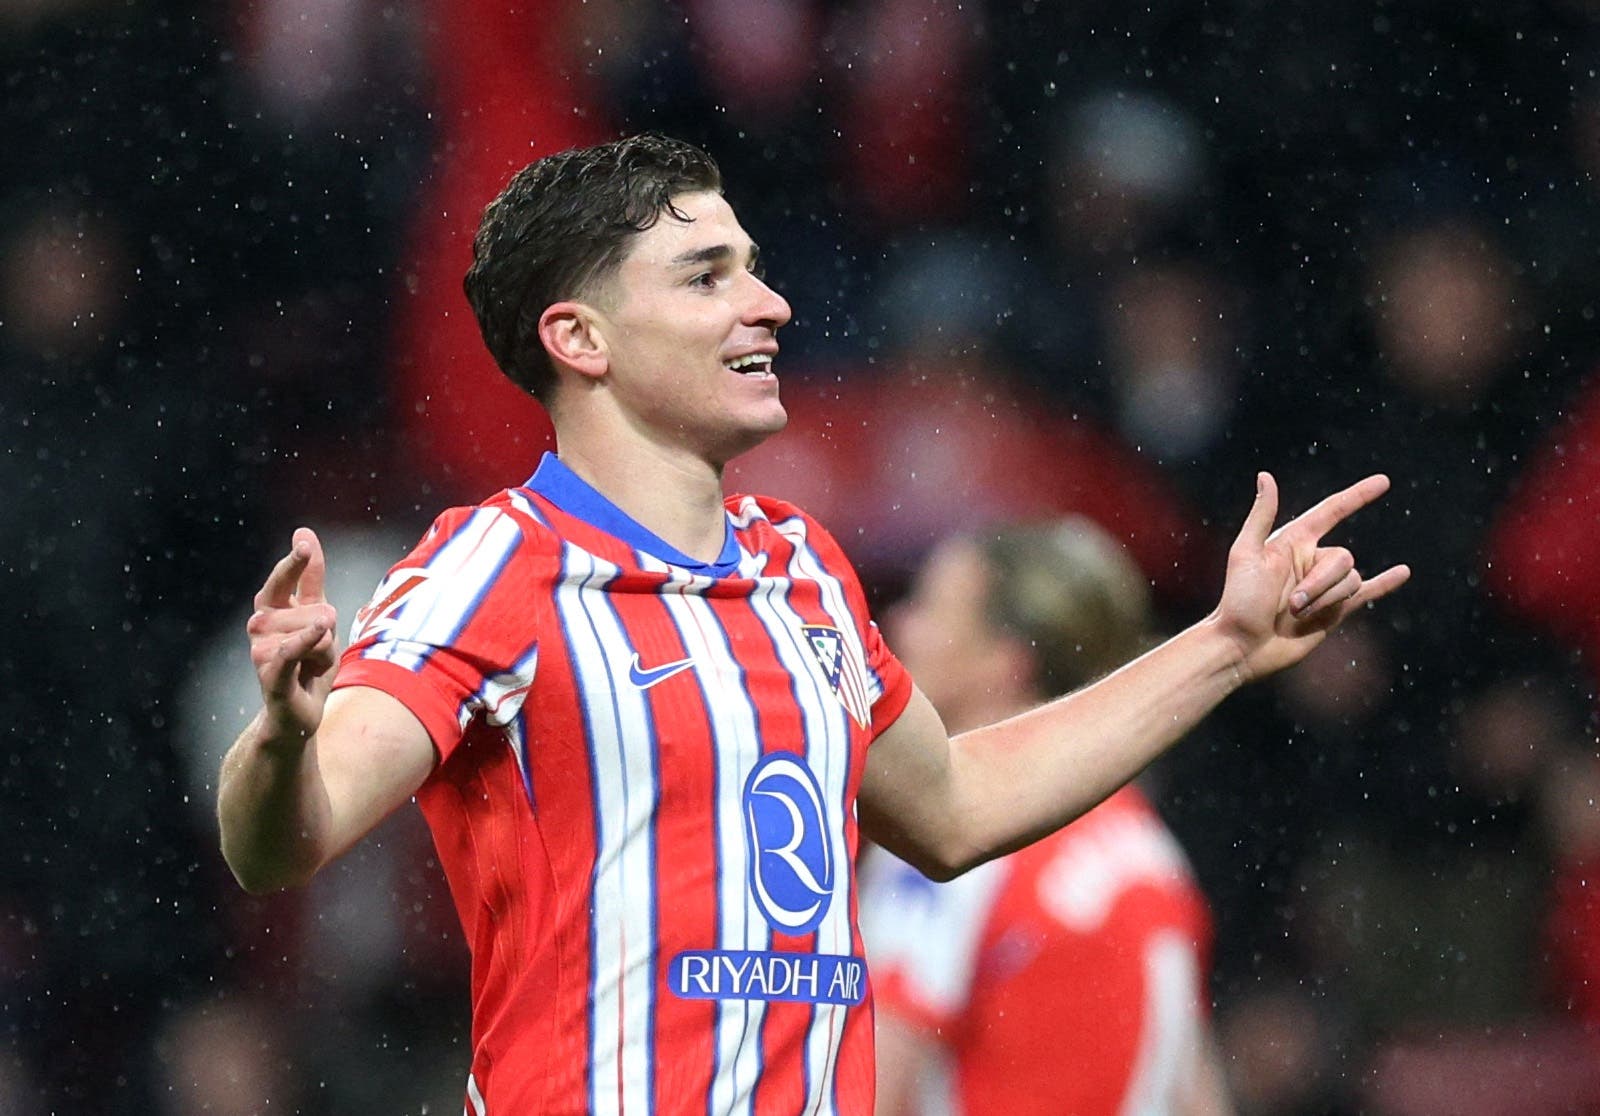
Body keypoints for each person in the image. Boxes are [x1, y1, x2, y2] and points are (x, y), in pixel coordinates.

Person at [216, 133, 1409, 1115]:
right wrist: (279, 736)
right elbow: (286, 839)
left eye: (753, 267)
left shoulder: (803, 571)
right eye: (706, 277)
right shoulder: (492, 566)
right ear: (577, 339)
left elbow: (952, 807)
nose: (769, 304)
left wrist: (1226, 645)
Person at [858, 517, 1232, 1116]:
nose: (897, 623)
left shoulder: (955, 837)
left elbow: (877, 1081)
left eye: (929, 607)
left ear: (1005, 662)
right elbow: (1193, 1090)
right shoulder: (1147, 846)